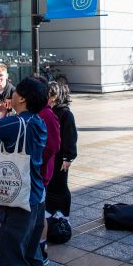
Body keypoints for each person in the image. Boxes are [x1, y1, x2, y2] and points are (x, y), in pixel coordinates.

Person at [0, 76, 48, 266]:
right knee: (31, 254)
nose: (12, 93)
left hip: (16, 201)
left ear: (22, 99)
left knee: (10, 257)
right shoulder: (39, 122)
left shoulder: (15, 123)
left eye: (16, 91)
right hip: (37, 198)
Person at [45, 82, 78, 220]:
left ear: (56, 96)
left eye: (49, 95)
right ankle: (51, 210)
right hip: (50, 156)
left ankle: (64, 214)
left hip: (60, 157)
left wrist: (68, 157)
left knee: (61, 186)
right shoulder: (49, 110)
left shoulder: (65, 113)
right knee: (51, 185)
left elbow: (70, 137)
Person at [37, 84, 61, 265]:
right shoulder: (38, 112)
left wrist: (37, 160)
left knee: (39, 215)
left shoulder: (47, 114)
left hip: (40, 173)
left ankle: (41, 248)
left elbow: (53, 146)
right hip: (36, 172)